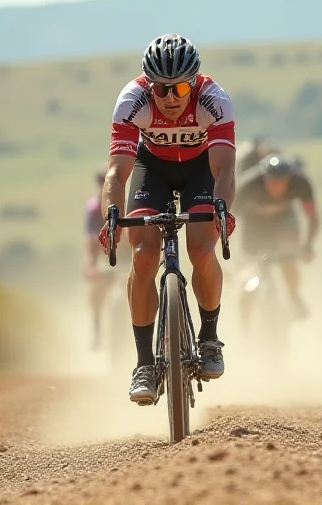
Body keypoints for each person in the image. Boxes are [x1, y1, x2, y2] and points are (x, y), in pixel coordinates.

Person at [98, 33, 237, 405]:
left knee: (203, 250)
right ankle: (144, 363)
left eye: (179, 89)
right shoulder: (133, 100)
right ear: (148, 84)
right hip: (152, 167)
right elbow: (116, 173)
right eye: (162, 89)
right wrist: (112, 215)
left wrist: (222, 210)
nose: (171, 98)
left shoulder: (214, 100)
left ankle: (209, 338)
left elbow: (224, 170)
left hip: (200, 169)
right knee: (143, 255)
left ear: (195, 82)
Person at [236, 154, 319, 322]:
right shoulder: (248, 185)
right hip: (253, 225)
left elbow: (312, 217)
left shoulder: (300, 183)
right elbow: (229, 218)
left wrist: (308, 245)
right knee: (250, 268)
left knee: (289, 258)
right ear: (263, 178)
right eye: (273, 181)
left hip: (284, 222)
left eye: (283, 181)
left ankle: (294, 295)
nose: (278, 186)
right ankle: (245, 316)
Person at [84, 167, 127, 351]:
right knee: (95, 294)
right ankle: (97, 330)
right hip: (106, 259)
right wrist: (91, 266)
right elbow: (91, 240)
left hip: (127, 260)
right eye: (103, 182)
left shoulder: (128, 204)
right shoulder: (94, 208)